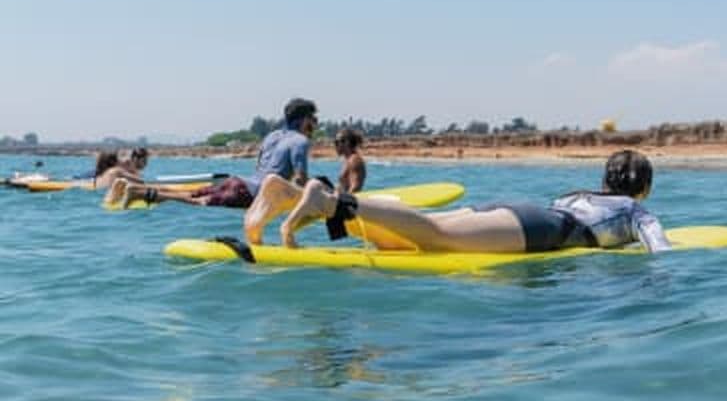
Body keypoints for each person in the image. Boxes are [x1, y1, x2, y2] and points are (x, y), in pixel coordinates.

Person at [243, 149, 672, 254]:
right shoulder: (636, 210)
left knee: (408, 238)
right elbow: (662, 252)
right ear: (644, 188)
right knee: (436, 235)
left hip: (525, 213)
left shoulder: (578, 195)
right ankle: (331, 202)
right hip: (542, 230)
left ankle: (290, 194)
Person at [106, 98, 318, 208]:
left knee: (189, 195)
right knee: (196, 202)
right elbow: (299, 180)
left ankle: (137, 189)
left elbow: (260, 168)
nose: (314, 124)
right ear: (303, 119)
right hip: (249, 194)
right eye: (312, 119)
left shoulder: (272, 136)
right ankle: (139, 192)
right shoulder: (300, 141)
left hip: (238, 182)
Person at [334, 127, 366, 193]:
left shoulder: (354, 160)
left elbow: (355, 188)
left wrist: (345, 202)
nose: (335, 146)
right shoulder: (348, 160)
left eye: (336, 142)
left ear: (346, 142)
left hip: (348, 201)